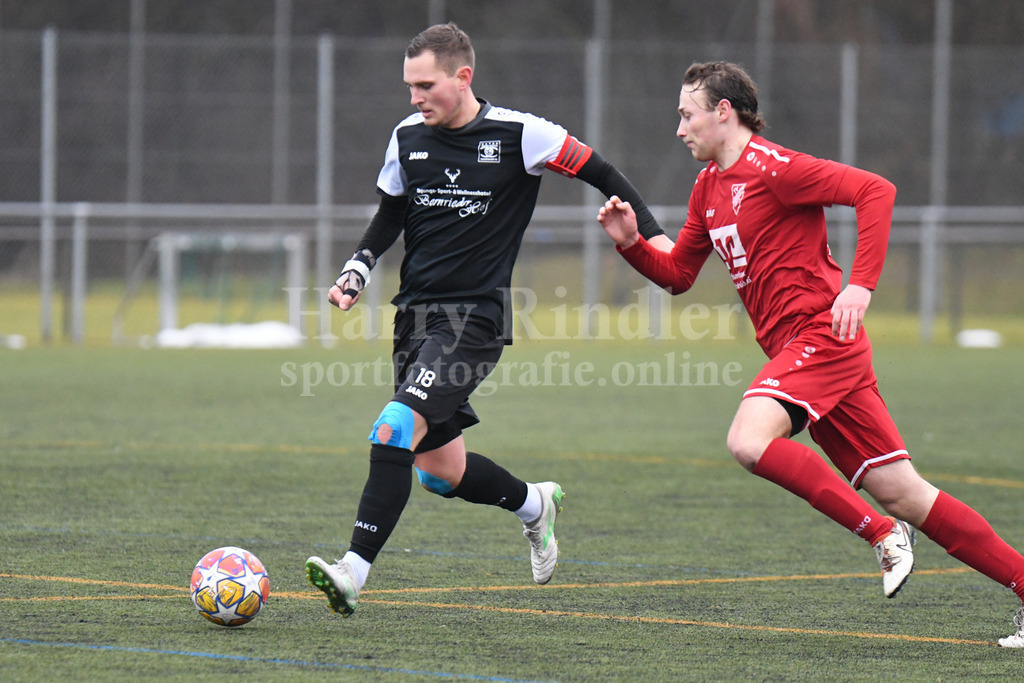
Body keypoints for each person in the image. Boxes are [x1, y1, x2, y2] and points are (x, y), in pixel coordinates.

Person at [596, 60, 1024, 647]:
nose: (679, 128)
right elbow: (678, 275)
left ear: (725, 112)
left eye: (687, 114)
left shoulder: (775, 168)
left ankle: (880, 534)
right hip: (807, 353)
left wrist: (861, 284)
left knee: (748, 441)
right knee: (905, 490)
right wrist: (630, 245)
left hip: (820, 338)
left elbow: (876, 191)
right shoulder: (707, 188)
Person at [305, 23, 672, 617]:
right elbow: (389, 215)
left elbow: (602, 172)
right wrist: (357, 269)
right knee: (440, 473)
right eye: (409, 86)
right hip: (414, 320)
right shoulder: (405, 137)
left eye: (425, 85)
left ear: (462, 77)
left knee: (393, 428)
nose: (414, 97)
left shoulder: (523, 134)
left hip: (474, 320)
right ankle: (534, 505)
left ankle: (353, 571)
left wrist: (654, 241)